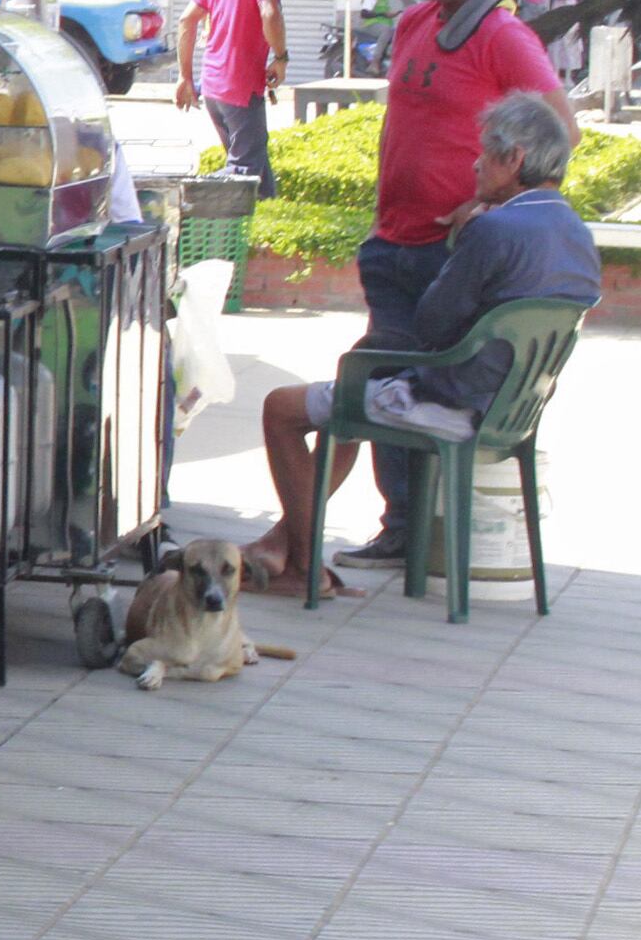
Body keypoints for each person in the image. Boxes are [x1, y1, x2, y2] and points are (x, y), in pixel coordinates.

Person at [246, 95, 598, 596]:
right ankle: (288, 546)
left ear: (514, 159)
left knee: (281, 407)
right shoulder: (576, 232)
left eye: (484, 153)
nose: (474, 163)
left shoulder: (494, 228)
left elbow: (431, 325)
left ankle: (304, 570)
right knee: (354, 388)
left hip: (449, 403)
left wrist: (463, 237)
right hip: (511, 411)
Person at [334, 0, 575, 572]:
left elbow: (558, 134)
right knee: (383, 377)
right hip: (392, 240)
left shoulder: (502, 37)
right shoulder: (416, 21)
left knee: (386, 379)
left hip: (440, 254)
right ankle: (396, 527)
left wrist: (493, 207)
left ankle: (406, 530)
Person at [174, 0, 303, 198]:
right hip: (240, 87)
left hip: (214, 89)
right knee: (243, 177)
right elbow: (270, 14)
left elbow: (186, 19)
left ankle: (264, 233)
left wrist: (185, 77)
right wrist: (281, 59)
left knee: (258, 178)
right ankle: (190, 202)